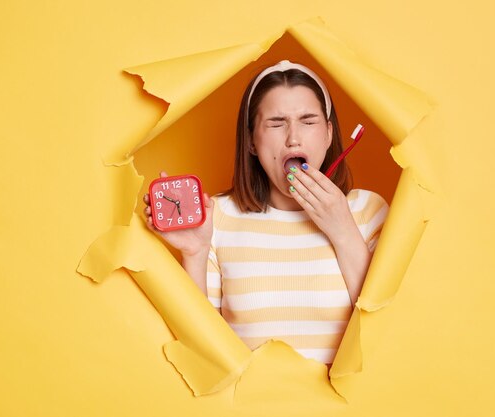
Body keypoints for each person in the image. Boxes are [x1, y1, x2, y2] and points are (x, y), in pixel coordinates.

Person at [144, 60, 389, 364]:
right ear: (251, 141)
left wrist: (343, 230)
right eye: (276, 123)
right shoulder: (219, 217)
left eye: (308, 121)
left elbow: (387, 333)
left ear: (328, 134)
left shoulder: (368, 210)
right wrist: (195, 252)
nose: (293, 138)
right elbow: (201, 350)